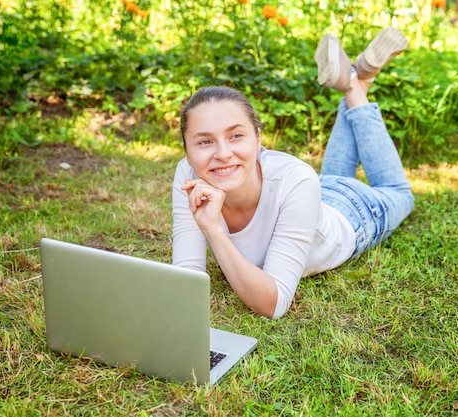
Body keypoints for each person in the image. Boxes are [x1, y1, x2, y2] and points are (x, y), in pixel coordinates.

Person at [171, 28, 414, 319]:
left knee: (401, 193)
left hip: (355, 213)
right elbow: (187, 277)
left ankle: (352, 81)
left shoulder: (296, 178)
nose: (222, 153)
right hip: (312, 198)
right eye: (205, 141)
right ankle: (357, 78)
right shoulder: (189, 173)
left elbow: (274, 304)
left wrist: (213, 231)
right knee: (324, 175)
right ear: (186, 151)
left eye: (236, 136)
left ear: (258, 139)